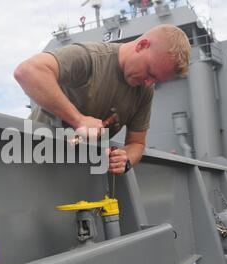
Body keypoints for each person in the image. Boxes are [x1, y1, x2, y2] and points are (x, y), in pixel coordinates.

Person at [14, 24, 191, 175]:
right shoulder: (91, 57)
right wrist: (79, 120)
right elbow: (28, 71)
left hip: (81, 176)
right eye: (150, 73)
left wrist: (126, 159)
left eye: (155, 80)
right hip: (33, 162)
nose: (148, 82)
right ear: (142, 45)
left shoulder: (144, 90)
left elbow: (137, 143)